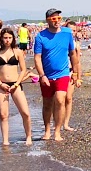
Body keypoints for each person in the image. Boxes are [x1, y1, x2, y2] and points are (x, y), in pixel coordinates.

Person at [32, 8, 79, 141]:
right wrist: (42, 75)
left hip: (63, 73)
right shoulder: (41, 36)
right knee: (47, 103)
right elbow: (37, 58)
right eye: (54, 19)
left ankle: (57, 131)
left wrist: (75, 73)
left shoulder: (67, 33)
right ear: (48, 20)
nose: (57, 21)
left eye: (59, 18)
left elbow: (72, 54)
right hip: (47, 75)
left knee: (60, 99)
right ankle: (47, 130)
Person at [0, 27, 34, 144]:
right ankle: (5, 140)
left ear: (13, 38)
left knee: (25, 113)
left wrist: (16, 84)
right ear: (1, 38)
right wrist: (0, 84)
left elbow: (23, 69)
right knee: (3, 115)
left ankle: (29, 136)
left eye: (10, 38)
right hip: (2, 85)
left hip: (16, 85)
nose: (7, 40)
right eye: (5, 38)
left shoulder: (18, 52)